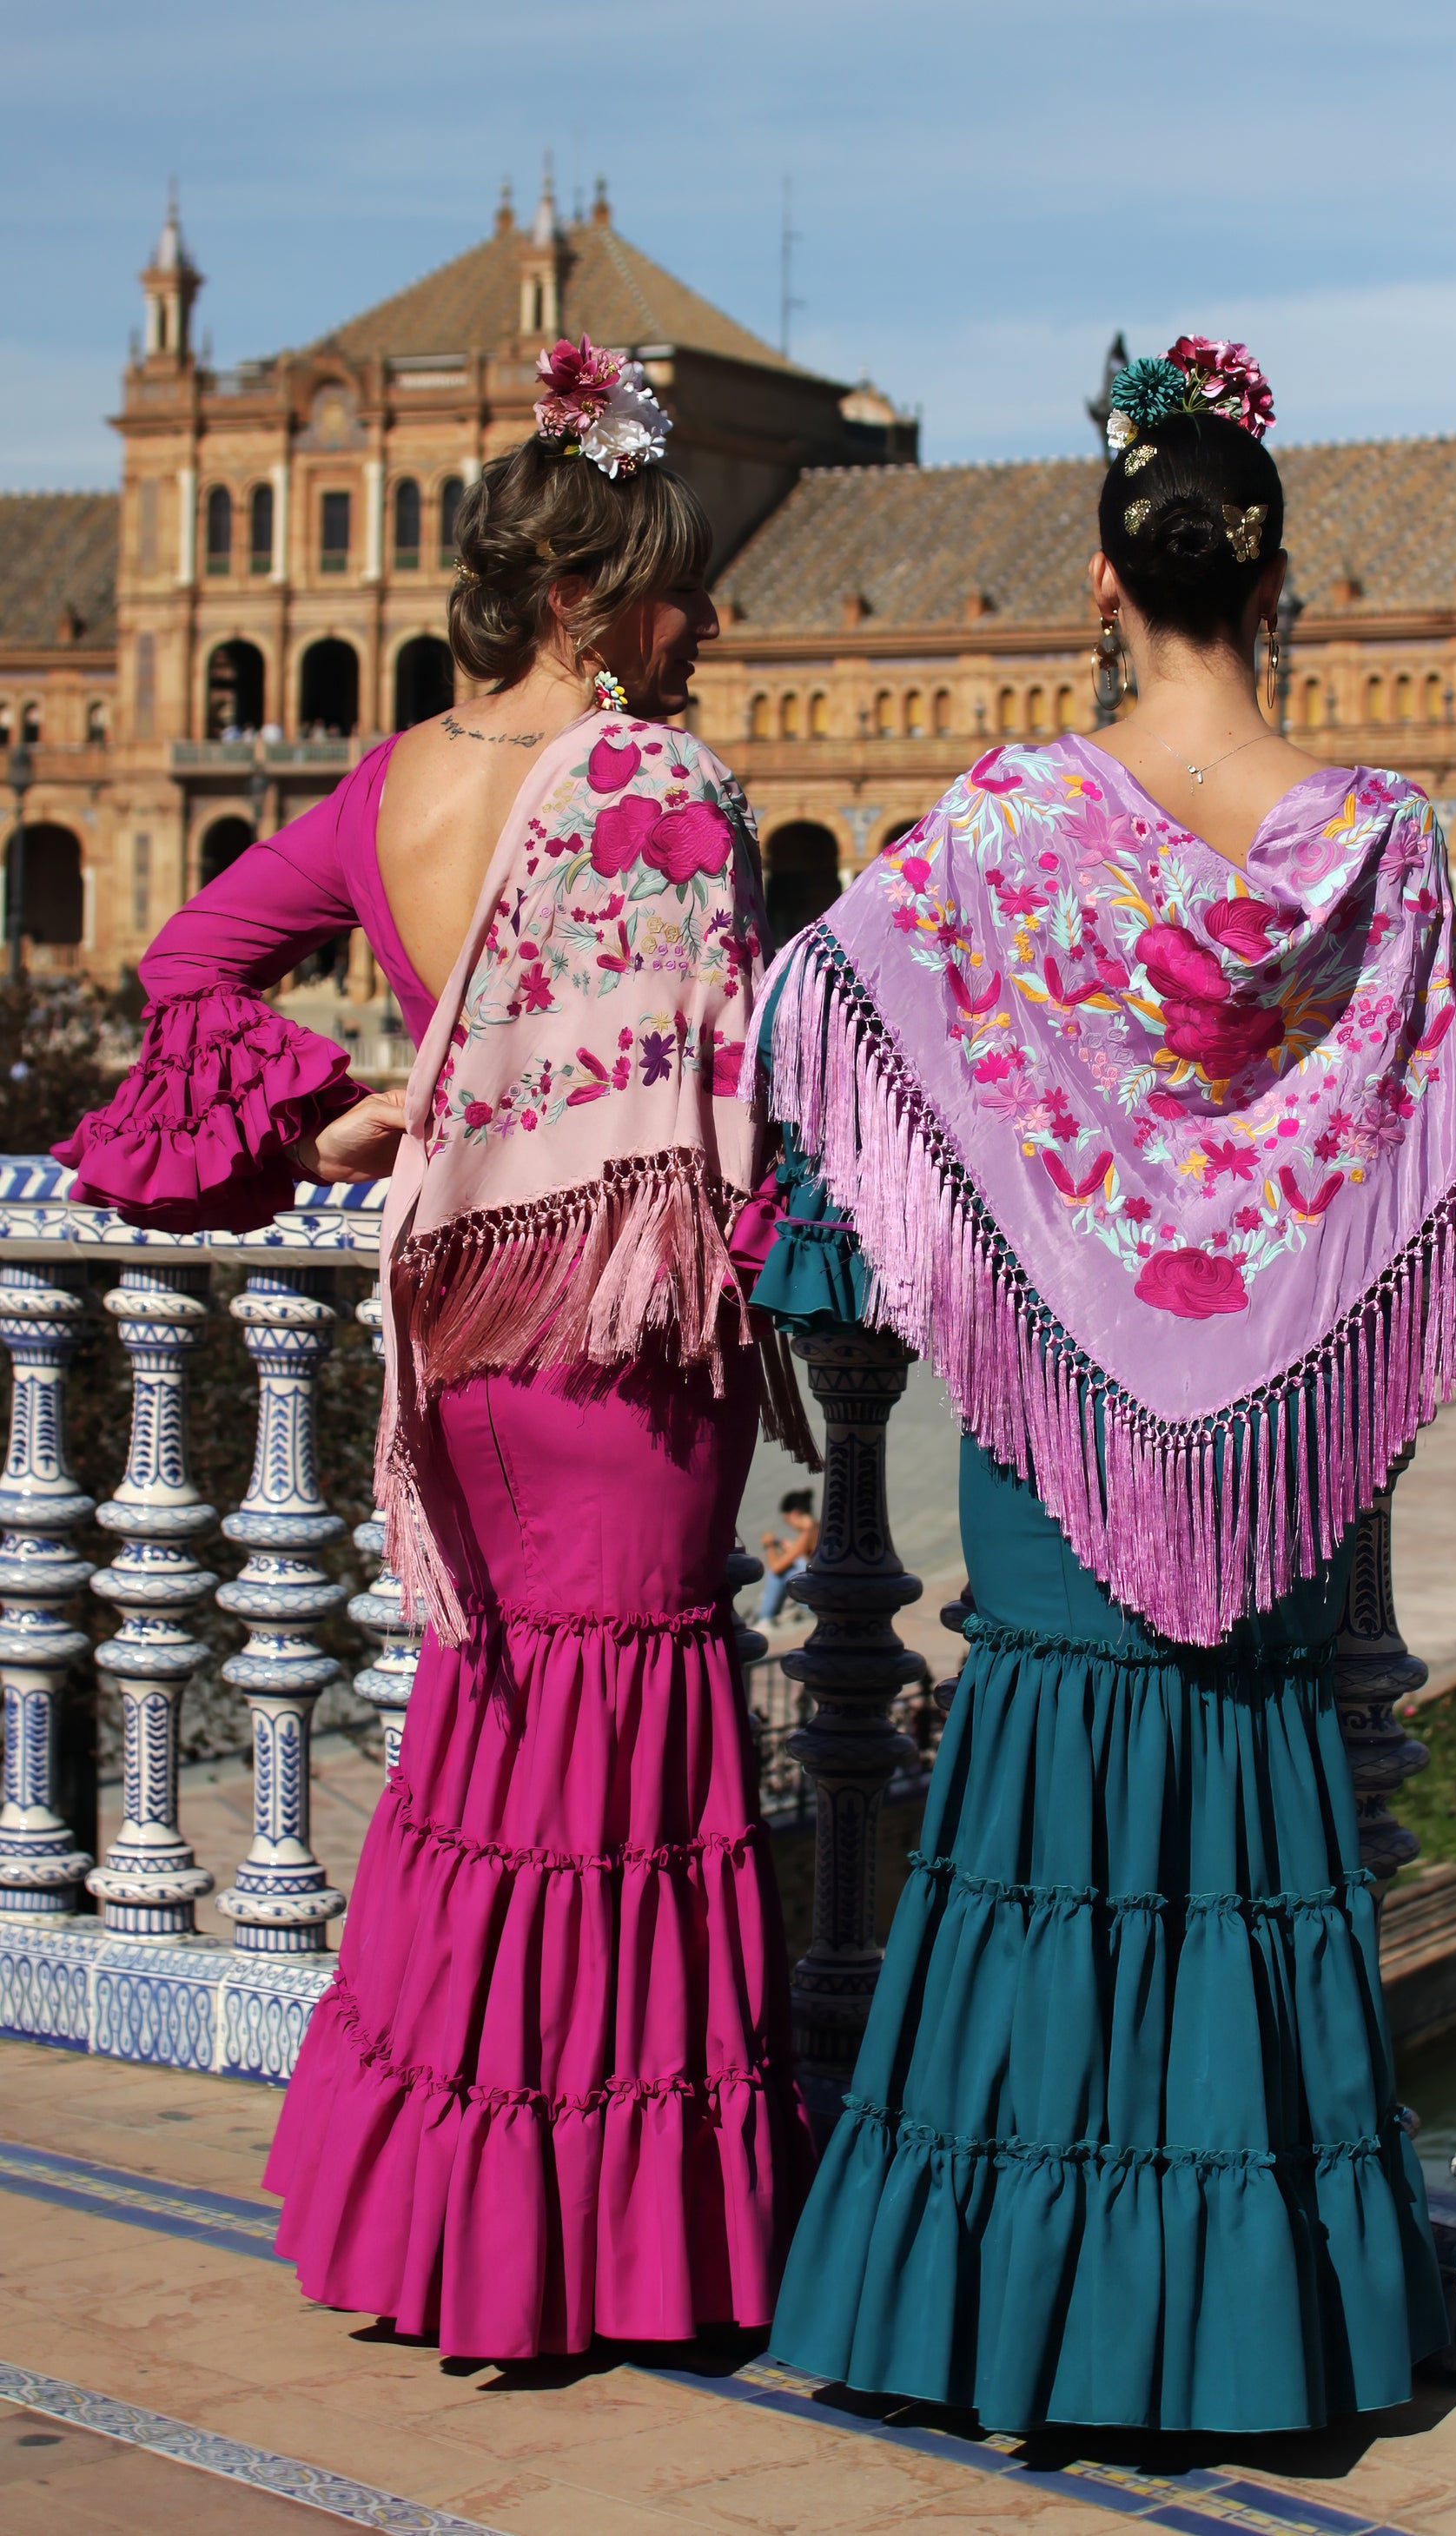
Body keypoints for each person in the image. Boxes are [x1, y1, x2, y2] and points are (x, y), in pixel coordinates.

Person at [56, 334, 816, 2361]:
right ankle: (600, 2246)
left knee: (485, 1762)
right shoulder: (664, 786)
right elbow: (727, 1098)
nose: (702, 623)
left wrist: (347, 1111)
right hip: (626, 1353)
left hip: (463, 1335)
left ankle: (444, 2226)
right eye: (675, 587)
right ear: (587, 595)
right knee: (621, 1767)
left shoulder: (389, 782)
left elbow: (188, 962)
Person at [749, 337, 1456, 2435]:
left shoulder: (1010, 825)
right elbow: (1409, 1152)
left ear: (1101, 581)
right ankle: (1243, 2335)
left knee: (1037, 1855)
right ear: (1277, 583)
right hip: (1268, 1450)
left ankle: (1001, 2324)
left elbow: (818, 1009)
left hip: (1058, 1422)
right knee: (1244, 1863)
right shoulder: (1383, 843)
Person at [758, 1487, 818, 1621]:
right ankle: (765, 1616)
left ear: (794, 1514)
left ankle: (765, 1618)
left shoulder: (807, 1535)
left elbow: (776, 1568)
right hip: (831, 1597)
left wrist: (769, 1546)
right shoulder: (819, 1527)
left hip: (822, 1606)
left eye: (786, 1520)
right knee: (793, 1566)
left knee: (784, 1574)